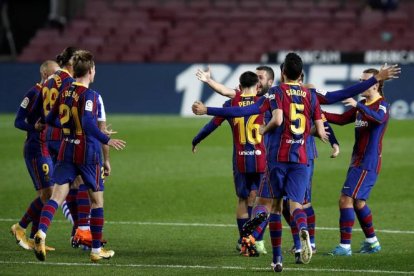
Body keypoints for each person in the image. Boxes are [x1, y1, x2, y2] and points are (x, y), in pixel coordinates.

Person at [192, 57, 400, 272]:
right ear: (301, 75)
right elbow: (340, 97)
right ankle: (303, 238)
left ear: (282, 74)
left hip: (277, 158)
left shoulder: (275, 93)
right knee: (297, 205)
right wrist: (375, 79)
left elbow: (244, 110)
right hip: (301, 158)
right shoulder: (310, 95)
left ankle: (271, 253)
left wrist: (208, 110)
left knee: (269, 205)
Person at [33, 50, 126, 262]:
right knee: (97, 201)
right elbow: (88, 123)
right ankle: (95, 251)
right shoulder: (92, 96)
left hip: (66, 149)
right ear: (91, 71)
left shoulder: (65, 91)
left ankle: (41, 232)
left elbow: (52, 118)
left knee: (56, 197)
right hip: (87, 153)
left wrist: (69, 127)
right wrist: (106, 139)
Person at [196, 65, 275, 254]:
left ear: (239, 86)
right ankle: (256, 239)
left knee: (242, 199)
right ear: (257, 86)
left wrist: (196, 139)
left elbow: (212, 124)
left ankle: (243, 241)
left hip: (240, 159)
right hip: (261, 159)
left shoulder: (231, 104)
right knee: (263, 201)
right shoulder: (265, 103)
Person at [325, 68, 392, 256]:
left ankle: (345, 247)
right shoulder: (362, 104)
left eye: (365, 80)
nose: (361, 83)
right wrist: (317, 112)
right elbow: (339, 119)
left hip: (367, 162)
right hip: (358, 161)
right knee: (359, 202)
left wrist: (358, 106)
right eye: (360, 79)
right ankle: (372, 242)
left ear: (376, 84)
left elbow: (378, 119)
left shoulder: (382, 104)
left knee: (345, 199)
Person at [10, 60, 59, 251]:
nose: (59, 77)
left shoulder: (51, 94)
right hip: (36, 148)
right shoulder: (34, 93)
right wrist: (34, 127)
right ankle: (20, 227)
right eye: (56, 74)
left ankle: (34, 238)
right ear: (46, 75)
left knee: (46, 194)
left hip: (47, 147)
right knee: (49, 193)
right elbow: (18, 121)